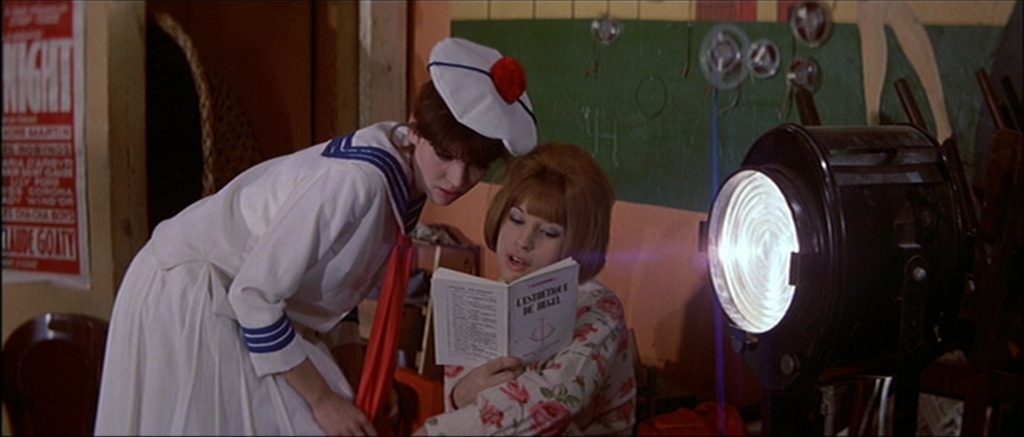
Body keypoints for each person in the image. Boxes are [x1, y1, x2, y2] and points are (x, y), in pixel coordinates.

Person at [94, 37, 538, 436]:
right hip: (197, 291)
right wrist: (323, 399)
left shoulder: (408, 179)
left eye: (476, 165)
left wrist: (360, 377)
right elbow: (254, 295)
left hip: (253, 303)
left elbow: (338, 287)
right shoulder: (358, 182)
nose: (457, 178)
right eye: (445, 155)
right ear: (415, 127)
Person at [414, 143, 636, 436]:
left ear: (579, 241)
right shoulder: (492, 297)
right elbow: (459, 397)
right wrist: (461, 393)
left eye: (549, 232)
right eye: (517, 219)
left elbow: (551, 402)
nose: (523, 241)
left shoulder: (600, 309)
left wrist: (433, 433)